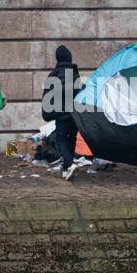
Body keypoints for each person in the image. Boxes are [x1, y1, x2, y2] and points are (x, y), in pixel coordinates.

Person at [41, 46, 82, 181]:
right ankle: (66, 167)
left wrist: (49, 112)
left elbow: (48, 96)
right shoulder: (74, 74)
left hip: (61, 115)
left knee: (61, 138)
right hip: (75, 114)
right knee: (71, 138)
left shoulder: (54, 75)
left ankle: (69, 164)